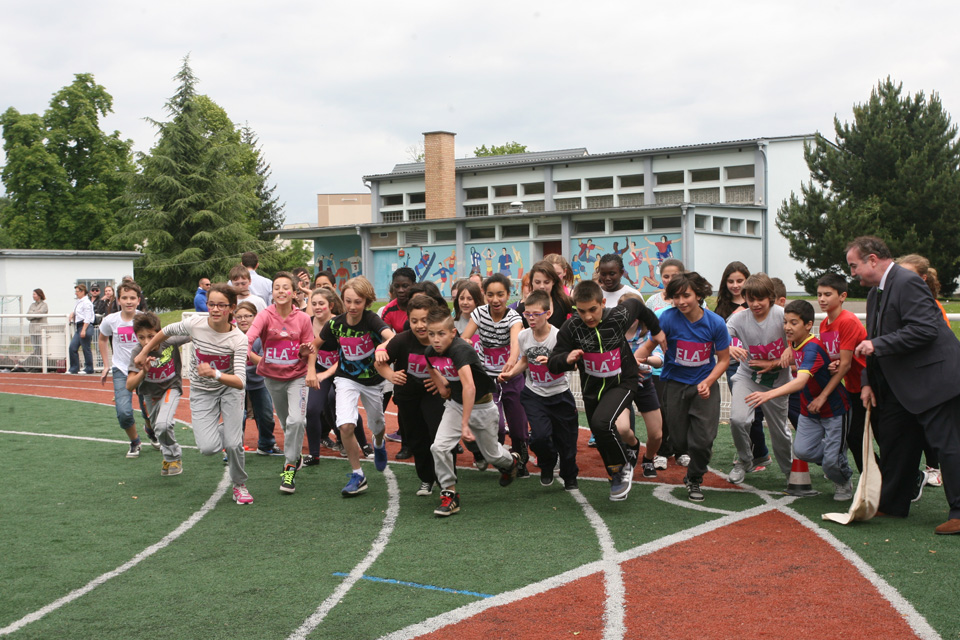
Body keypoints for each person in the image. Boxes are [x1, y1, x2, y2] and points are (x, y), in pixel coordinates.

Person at [847, 236, 960, 535]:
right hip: (900, 384)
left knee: (947, 445)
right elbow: (873, 340)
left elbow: (924, 330)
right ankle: (894, 503)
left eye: (854, 265)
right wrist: (868, 383)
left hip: (935, 379)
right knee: (896, 441)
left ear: (873, 259)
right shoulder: (875, 294)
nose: (853, 272)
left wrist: (877, 345)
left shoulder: (907, 281)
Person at [135, 283, 254, 505]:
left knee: (234, 443)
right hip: (202, 392)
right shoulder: (195, 324)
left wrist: (215, 373)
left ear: (232, 308)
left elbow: (239, 382)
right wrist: (144, 351)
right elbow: (166, 331)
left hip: (229, 390)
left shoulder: (238, 339)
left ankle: (239, 485)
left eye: (221, 305)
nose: (216, 309)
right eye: (211, 304)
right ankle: (228, 428)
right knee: (208, 448)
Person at [549, 280, 665, 501]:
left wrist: (657, 331)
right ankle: (625, 457)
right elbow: (553, 363)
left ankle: (622, 470)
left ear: (602, 303)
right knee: (601, 433)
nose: (588, 317)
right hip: (592, 388)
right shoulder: (572, 327)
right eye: (581, 311)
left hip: (623, 382)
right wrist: (567, 358)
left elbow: (639, 307)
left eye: (593, 309)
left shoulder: (618, 316)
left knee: (603, 424)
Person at [635, 272, 729, 503]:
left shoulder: (715, 322)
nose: (681, 302)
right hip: (675, 385)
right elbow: (645, 349)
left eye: (686, 295)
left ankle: (694, 478)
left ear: (699, 294)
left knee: (704, 439)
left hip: (703, 386)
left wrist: (708, 381)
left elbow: (724, 359)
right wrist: (634, 364)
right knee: (678, 441)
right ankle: (687, 458)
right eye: (675, 297)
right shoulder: (666, 319)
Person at [747, 300, 852, 500]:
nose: (787, 327)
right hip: (809, 410)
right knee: (803, 451)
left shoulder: (813, 348)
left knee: (831, 462)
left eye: (793, 323)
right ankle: (835, 456)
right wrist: (774, 363)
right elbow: (795, 358)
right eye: (785, 322)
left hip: (834, 409)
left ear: (807, 325)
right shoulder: (796, 343)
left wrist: (767, 394)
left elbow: (800, 381)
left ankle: (843, 479)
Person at [424, 307, 521, 516]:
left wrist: (465, 424)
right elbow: (430, 365)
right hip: (455, 405)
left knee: (492, 454)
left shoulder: (461, 350)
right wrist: (441, 385)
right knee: (438, 447)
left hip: (482, 406)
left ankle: (512, 461)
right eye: (431, 334)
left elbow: (470, 387)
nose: (435, 339)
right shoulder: (430, 352)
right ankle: (449, 495)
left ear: (453, 333)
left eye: (441, 334)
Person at [314, 276, 395, 497]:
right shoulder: (335, 324)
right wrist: (310, 366)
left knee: (377, 424)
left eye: (357, 302)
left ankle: (378, 444)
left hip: (373, 380)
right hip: (346, 378)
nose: (352, 306)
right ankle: (357, 474)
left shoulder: (371, 321)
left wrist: (383, 347)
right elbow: (315, 345)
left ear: (367, 302)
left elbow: (391, 337)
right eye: (348, 301)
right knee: (345, 426)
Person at [245, 271, 317, 494]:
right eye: (277, 287)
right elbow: (249, 337)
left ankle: (289, 468)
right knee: (287, 425)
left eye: (286, 287)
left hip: (297, 377)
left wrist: (310, 366)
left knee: (296, 422)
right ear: (272, 292)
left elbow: (311, 348)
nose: (281, 291)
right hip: (272, 379)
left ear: (294, 293)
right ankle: (295, 455)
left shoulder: (303, 319)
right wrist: (252, 355)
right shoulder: (265, 315)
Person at [375, 294, 449, 496]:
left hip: (434, 395)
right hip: (408, 396)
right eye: (414, 321)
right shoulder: (402, 340)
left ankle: (446, 482)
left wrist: (443, 381)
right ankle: (426, 479)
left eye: (424, 320)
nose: (420, 326)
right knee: (417, 439)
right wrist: (390, 374)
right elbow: (379, 364)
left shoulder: (442, 337)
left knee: (439, 437)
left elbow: (458, 364)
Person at [725, 274, 794, 485]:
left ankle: (790, 471)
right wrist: (728, 346)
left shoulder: (782, 315)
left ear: (771, 298)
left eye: (760, 299)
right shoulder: (738, 319)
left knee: (779, 430)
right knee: (738, 419)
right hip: (748, 377)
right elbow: (718, 337)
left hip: (778, 381)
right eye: (750, 298)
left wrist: (786, 353)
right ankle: (745, 460)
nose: (755, 304)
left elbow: (800, 339)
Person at [460, 273, 530, 477]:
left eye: (500, 294)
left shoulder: (514, 317)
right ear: (484, 295)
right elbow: (466, 337)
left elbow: (516, 341)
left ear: (508, 295)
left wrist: (512, 360)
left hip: (512, 377)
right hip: (488, 380)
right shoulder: (480, 313)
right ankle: (501, 459)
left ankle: (521, 460)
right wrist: (465, 343)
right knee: (496, 424)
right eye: (490, 294)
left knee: (518, 428)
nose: (495, 300)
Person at [514, 290, 580, 490]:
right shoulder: (523, 336)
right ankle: (547, 464)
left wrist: (551, 361)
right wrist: (510, 373)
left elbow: (573, 365)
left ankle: (570, 476)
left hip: (559, 394)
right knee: (540, 437)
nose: (531, 318)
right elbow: (525, 360)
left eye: (536, 314)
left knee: (567, 441)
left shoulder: (559, 336)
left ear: (548, 314)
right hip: (534, 393)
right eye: (527, 314)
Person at [896, 254, 947, 488]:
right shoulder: (901, 304)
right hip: (908, 379)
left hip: (931, 379)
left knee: (934, 428)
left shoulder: (932, 309)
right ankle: (913, 474)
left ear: (922, 278)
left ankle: (934, 467)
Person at [714, 261, 770, 470]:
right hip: (732, 366)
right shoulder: (721, 308)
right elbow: (716, 338)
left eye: (740, 280)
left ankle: (760, 452)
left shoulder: (756, 304)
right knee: (744, 412)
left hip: (758, 364)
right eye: (731, 281)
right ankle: (753, 453)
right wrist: (728, 349)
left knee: (758, 411)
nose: (735, 285)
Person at [815, 273, 869, 473]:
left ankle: (902, 478)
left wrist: (823, 396)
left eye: (827, 294)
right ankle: (874, 478)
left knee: (866, 437)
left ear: (842, 296)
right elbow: (837, 360)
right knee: (854, 437)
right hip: (854, 388)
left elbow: (845, 364)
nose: (822, 299)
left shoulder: (848, 321)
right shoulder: (824, 324)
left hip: (870, 385)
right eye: (819, 294)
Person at [127, 313, 190, 476]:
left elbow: (194, 332)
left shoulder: (169, 340)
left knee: (164, 424)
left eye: (151, 336)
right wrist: (143, 372)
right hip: (150, 393)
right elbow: (129, 385)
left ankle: (173, 457)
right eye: (141, 337)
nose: (146, 342)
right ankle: (169, 457)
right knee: (158, 429)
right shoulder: (137, 352)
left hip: (171, 387)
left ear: (159, 333)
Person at [98, 281, 155, 457]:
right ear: (118, 300)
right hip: (121, 370)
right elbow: (102, 339)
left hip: (143, 370)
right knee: (123, 411)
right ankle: (135, 441)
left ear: (138, 300)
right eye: (124, 297)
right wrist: (106, 364)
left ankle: (149, 430)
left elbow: (155, 339)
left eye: (132, 298)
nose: (128, 301)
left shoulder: (144, 319)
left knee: (149, 410)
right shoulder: (110, 321)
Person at [233, 301, 279, 456]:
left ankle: (266, 444)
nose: (243, 319)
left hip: (259, 381)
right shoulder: (231, 335)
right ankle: (235, 447)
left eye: (247, 316)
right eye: (239, 317)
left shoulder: (262, 336)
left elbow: (263, 361)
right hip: (237, 382)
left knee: (266, 415)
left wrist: (245, 350)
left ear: (255, 317)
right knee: (239, 415)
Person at [67, 284, 95, 375]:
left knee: (85, 348)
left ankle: (89, 368)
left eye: (77, 291)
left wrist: (84, 329)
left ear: (82, 291)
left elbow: (88, 317)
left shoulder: (86, 302)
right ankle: (74, 368)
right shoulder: (79, 301)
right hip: (79, 326)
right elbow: (78, 312)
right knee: (72, 347)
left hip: (84, 325)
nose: (76, 293)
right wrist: (72, 313)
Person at [26, 289, 48, 357]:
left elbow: (39, 315)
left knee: (42, 348)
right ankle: (37, 362)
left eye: (34, 294)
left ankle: (43, 363)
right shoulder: (32, 305)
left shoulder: (44, 305)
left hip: (40, 330)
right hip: (33, 330)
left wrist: (33, 313)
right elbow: (27, 316)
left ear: (39, 295)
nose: (33, 296)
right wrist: (36, 312)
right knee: (35, 348)